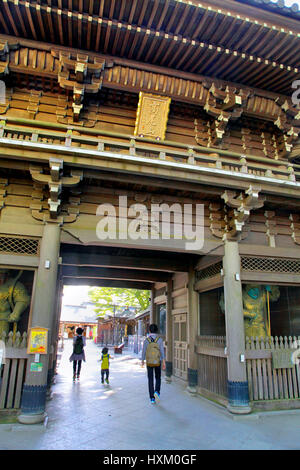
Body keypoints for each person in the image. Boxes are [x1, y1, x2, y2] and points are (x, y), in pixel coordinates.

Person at [141, 324, 166, 404]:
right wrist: (164, 361)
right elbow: (162, 351)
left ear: (149, 331)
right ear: (157, 331)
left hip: (149, 362)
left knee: (150, 379)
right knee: (158, 377)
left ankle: (152, 398)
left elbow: (144, 351)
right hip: (157, 361)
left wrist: (142, 361)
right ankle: (157, 391)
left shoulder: (146, 340)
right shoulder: (159, 340)